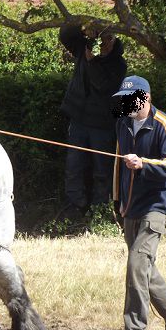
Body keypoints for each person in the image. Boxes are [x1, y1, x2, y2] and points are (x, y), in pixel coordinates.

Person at [112, 75, 166, 330]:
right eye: (124, 99)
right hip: (132, 204)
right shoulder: (122, 124)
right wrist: (118, 201)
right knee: (143, 266)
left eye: (132, 98)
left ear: (147, 98)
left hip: (158, 203)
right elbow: (118, 167)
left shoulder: (163, 124)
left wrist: (143, 163)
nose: (127, 103)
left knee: (136, 265)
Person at [59, 24, 127, 217]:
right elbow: (65, 34)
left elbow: (103, 86)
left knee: (102, 169)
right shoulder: (85, 48)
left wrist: (92, 62)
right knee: (74, 166)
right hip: (78, 120)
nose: (104, 44)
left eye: (109, 39)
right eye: (101, 39)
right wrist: (83, 29)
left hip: (103, 124)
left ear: (114, 40)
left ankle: (100, 209)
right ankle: (75, 205)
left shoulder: (119, 64)